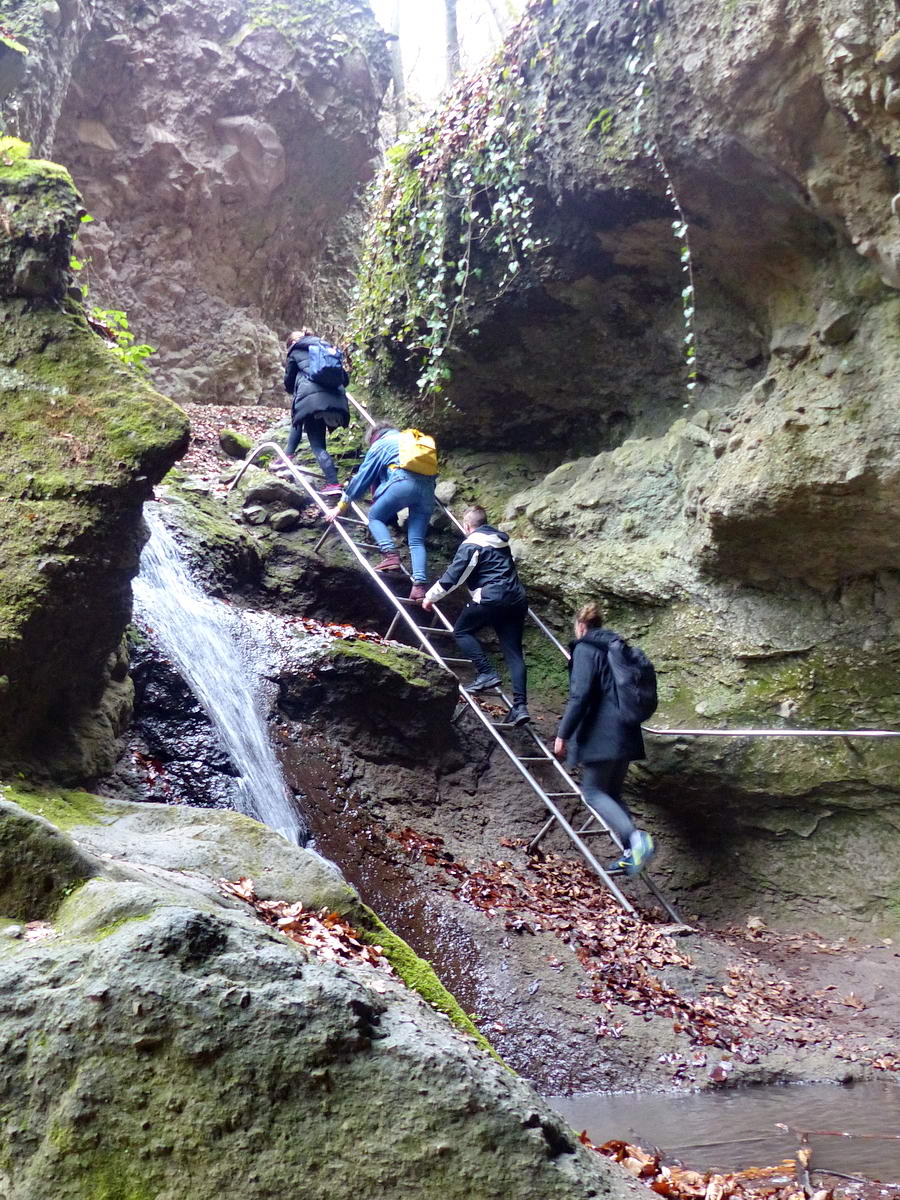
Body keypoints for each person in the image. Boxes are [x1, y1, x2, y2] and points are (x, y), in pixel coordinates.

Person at [553, 602, 655, 876]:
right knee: (611, 792)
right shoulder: (616, 648)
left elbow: (580, 695)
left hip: (602, 733)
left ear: (581, 626)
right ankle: (630, 852)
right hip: (626, 730)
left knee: (593, 792)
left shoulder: (586, 649)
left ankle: (636, 841)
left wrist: (562, 734)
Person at [422, 506, 530, 728]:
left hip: (491, 597)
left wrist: (430, 597)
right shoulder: (500, 542)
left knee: (461, 630)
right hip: (516, 599)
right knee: (513, 652)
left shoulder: (471, 544)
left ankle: (486, 672)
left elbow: (455, 575)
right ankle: (520, 706)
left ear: (467, 526)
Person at [324, 420, 436, 600]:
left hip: (402, 483)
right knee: (416, 540)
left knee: (375, 517)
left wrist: (341, 506)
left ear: (374, 437)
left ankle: (390, 555)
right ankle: (419, 587)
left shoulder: (381, 444)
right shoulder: (411, 442)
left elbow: (362, 478)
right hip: (428, 491)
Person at [283, 329, 349, 495]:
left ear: (291, 343)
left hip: (312, 403)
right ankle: (287, 457)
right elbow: (345, 378)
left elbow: (288, 383)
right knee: (311, 432)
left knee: (317, 445)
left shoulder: (295, 351)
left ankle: (333, 483)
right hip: (337, 399)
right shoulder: (325, 348)